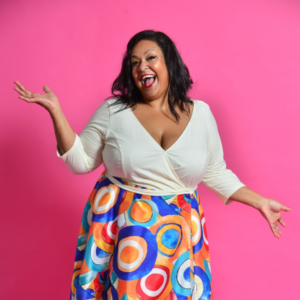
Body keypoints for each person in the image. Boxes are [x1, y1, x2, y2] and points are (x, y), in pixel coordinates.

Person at [14, 30, 291, 300]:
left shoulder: (202, 114)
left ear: (169, 62)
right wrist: (56, 112)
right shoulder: (114, 112)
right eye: (134, 63)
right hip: (124, 230)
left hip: (179, 232)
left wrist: (260, 201)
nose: (141, 67)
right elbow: (80, 162)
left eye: (150, 58)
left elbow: (215, 172)